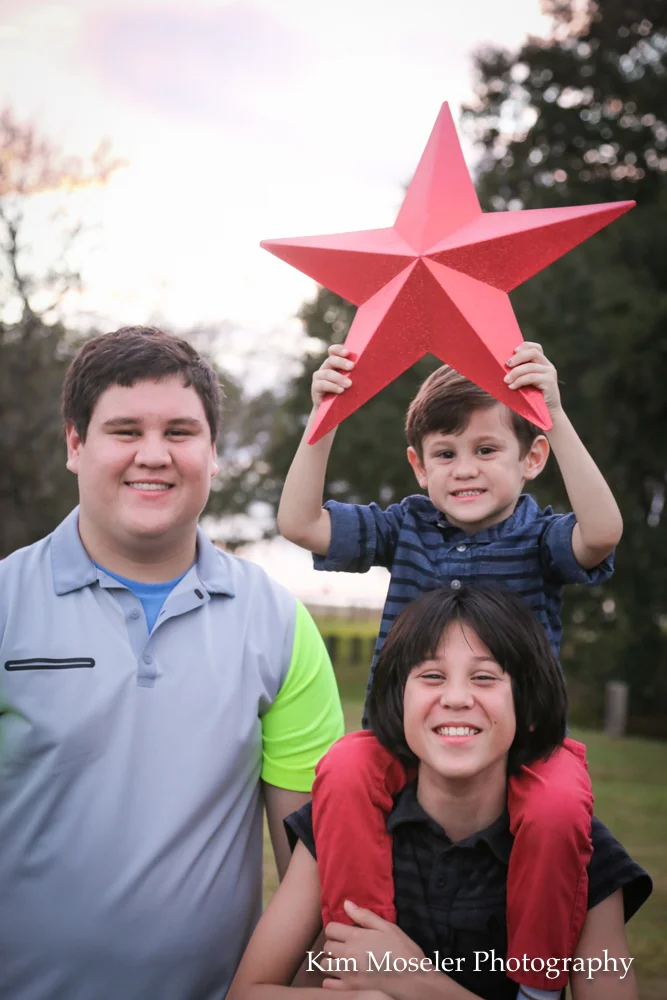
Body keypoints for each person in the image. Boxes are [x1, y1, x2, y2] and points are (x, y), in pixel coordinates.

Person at [0, 326, 344, 1000]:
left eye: (181, 432)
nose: (153, 455)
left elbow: (313, 878)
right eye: (125, 430)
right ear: (75, 444)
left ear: (212, 454)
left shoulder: (277, 625)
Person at [277, 342, 624, 998]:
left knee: (557, 810)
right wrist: (325, 414)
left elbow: (602, 532)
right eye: (444, 453)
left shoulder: (540, 537)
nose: (464, 469)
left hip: (521, 745)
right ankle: (362, 955)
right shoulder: (406, 526)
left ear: (532, 457)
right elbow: (299, 522)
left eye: (486, 449)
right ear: (418, 466)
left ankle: (536, 986)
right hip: (402, 734)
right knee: (343, 769)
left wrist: (552, 411)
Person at [228, 587, 651, 1000]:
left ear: (528, 705)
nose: (456, 698)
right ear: (399, 700)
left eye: (484, 678)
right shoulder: (343, 818)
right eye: (432, 676)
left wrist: (417, 983)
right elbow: (247, 992)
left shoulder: (579, 846)